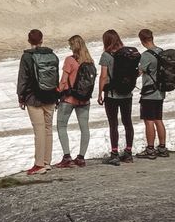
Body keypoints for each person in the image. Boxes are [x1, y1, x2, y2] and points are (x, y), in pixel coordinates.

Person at [17, 29, 59, 175]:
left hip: (33, 98)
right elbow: (56, 78)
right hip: (51, 96)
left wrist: (20, 96)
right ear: (42, 39)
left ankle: (39, 164)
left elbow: (23, 78)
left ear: (29, 40)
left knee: (39, 130)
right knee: (48, 129)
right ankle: (47, 162)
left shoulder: (27, 57)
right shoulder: (52, 55)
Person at [98, 29, 138, 165]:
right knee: (128, 122)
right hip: (127, 93)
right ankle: (128, 153)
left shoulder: (106, 55)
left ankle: (114, 153)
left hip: (112, 94)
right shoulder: (128, 53)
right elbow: (136, 72)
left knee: (113, 124)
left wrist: (99, 93)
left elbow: (103, 76)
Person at [54, 35, 94, 167]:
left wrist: (58, 93)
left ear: (73, 46)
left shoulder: (69, 60)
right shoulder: (90, 61)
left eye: (70, 45)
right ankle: (81, 157)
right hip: (84, 100)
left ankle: (66, 157)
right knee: (84, 128)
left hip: (69, 99)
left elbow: (64, 80)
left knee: (62, 126)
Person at [137, 28, 170, 159]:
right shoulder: (161, 51)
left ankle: (150, 149)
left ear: (142, 40)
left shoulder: (146, 55)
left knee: (149, 121)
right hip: (160, 91)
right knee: (158, 119)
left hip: (149, 92)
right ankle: (162, 147)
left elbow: (139, 71)